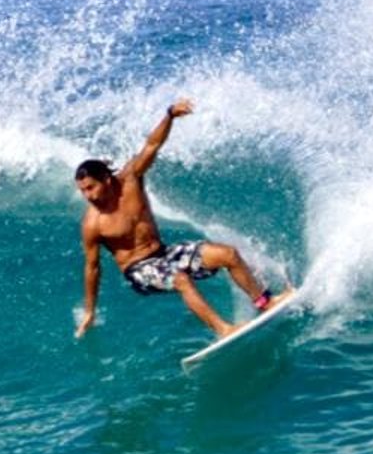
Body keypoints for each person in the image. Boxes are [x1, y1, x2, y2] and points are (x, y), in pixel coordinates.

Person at [75, 98, 292, 340]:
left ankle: (264, 302)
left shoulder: (131, 180)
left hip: (164, 253)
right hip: (138, 270)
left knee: (228, 254)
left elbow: (152, 145)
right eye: (83, 190)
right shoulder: (92, 224)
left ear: (106, 179)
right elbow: (92, 268)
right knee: (180, 279)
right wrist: (90, 312)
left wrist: (169, 115)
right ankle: (224, 330)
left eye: (90, 188)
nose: (87, 195)